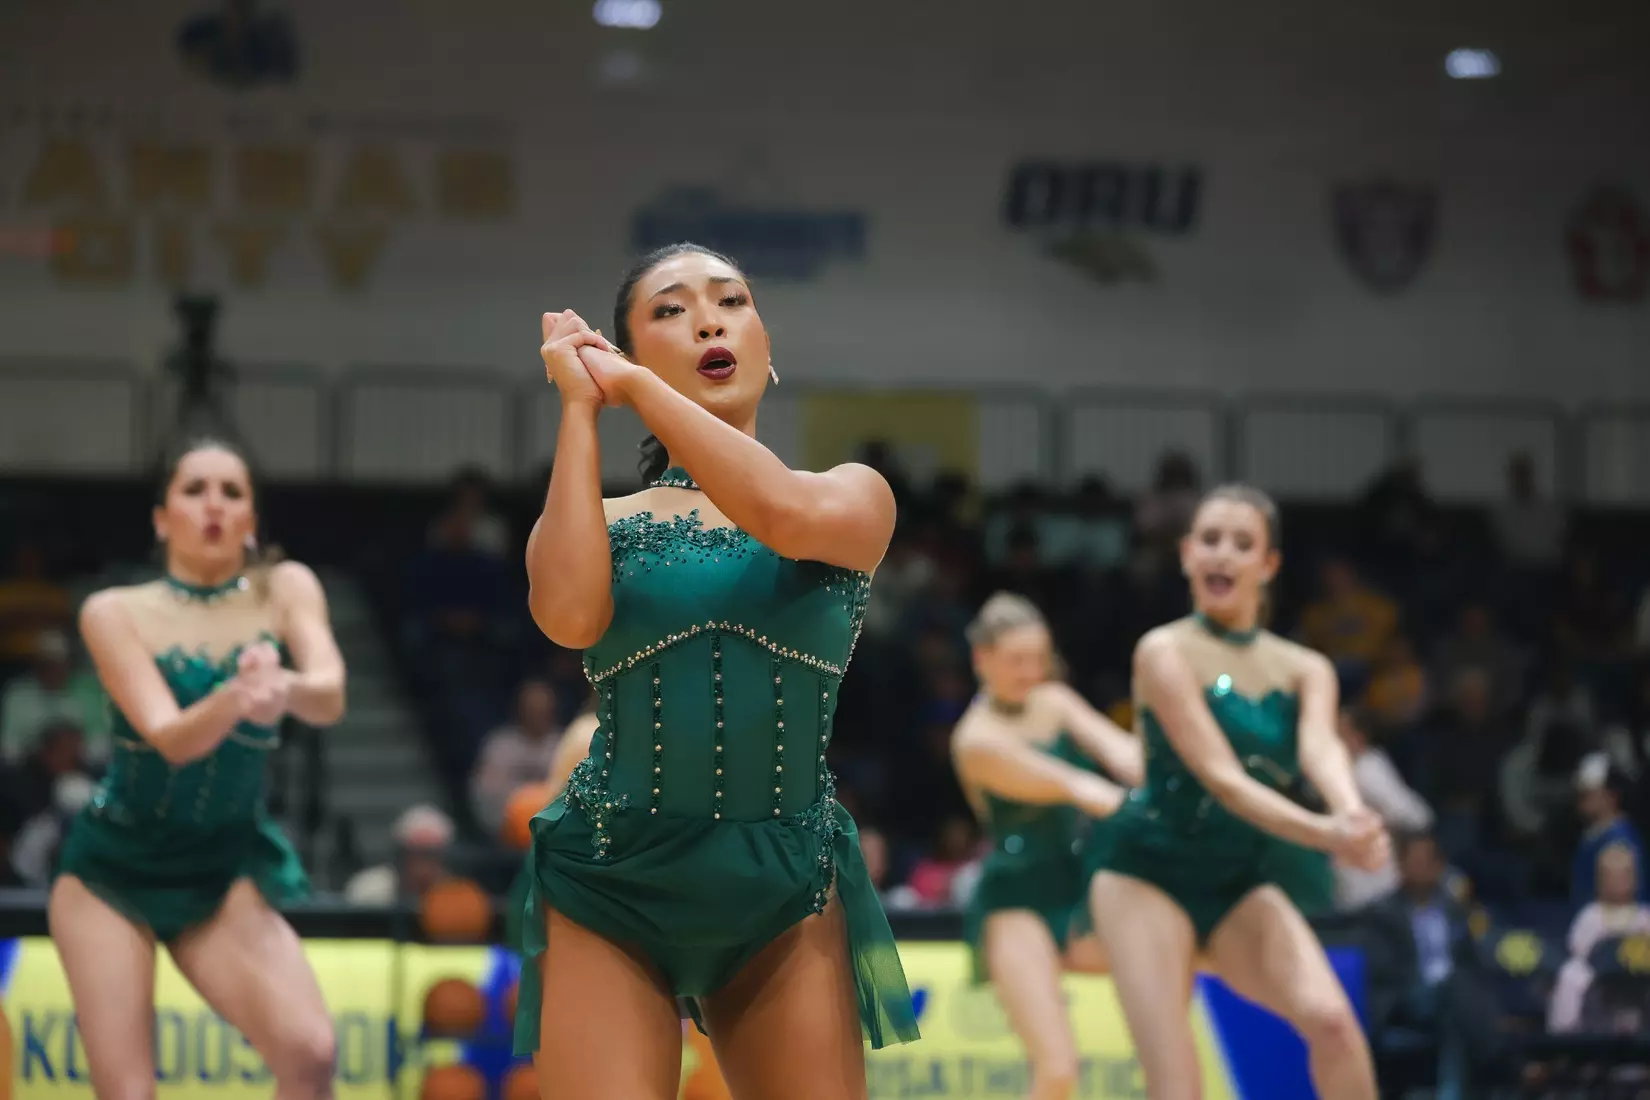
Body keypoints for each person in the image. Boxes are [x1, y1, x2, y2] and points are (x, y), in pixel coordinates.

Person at [514, 242, 918, 1099]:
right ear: (626, 353)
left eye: (731, 301)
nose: (707, 321)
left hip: (787, 884)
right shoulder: (606, 518)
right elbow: (567, 616)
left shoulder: (851, 493)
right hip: (610, 878)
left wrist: (635, 387)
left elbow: (780, 514)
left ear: (767, 350)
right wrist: (581, 408)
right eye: (670, 309)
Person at [49, 437, 346, 1100]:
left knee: (310, 1052)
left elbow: (328, 694)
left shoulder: (286, 588)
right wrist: (238, 694)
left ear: (251, 521)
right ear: (162, 519)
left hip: (222, 866)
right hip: (112, 869)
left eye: (232, 492)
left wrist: (283, 687)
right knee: (128, 1094)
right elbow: (170, 739)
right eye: (194, 490)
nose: (214, 504)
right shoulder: (113, 611)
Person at [1087, 484, 1388, 1100]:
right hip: (1146, 873)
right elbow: (1222, 779)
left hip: (1237, 878)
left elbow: (1321, 749)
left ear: (1268, 564)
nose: (1223, 553)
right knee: (1178, 1088)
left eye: (1242, 543)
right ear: (1186, 554)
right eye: (1210, 539)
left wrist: (1354, 815)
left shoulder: (1307, 668)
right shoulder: (1163, 650)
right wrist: (1328, 835)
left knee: (1333, 1024)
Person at [952, 592, 1141, 1100]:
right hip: (1016, 898)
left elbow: (1123, 753)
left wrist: (1173, 770)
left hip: (1079, 881)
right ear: (982, 659)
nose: (1031, 672)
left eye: (1039, 658)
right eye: (1016, 660)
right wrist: (1134, 802)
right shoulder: (975, 738)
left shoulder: (1055, 700)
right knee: (1057, 1070)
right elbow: (1076, 786)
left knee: (1187, 949)